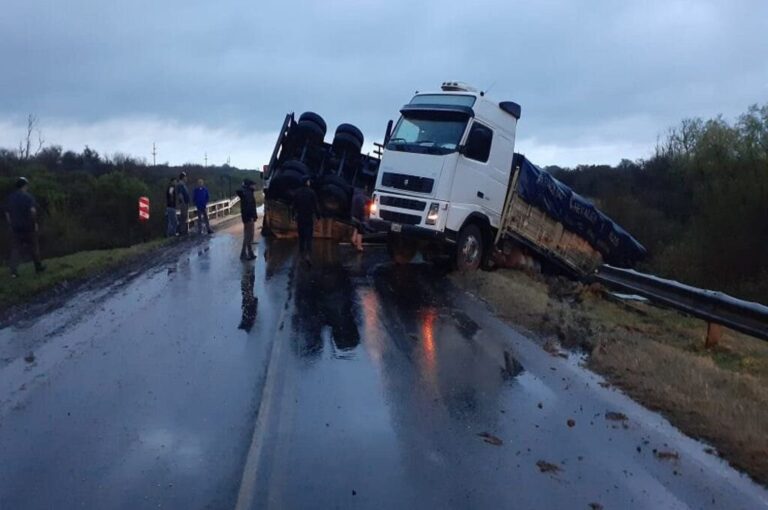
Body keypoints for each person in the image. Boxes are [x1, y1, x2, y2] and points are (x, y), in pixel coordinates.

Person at [4, 177, 45, 278]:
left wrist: (11, 224)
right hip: (28, 227)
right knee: (34, 247)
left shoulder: (11, 197)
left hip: (16, 227)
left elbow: (7, 213)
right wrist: (35, 223)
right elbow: (32, 211)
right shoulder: (28, 197)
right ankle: (38, 267)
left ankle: (13, 272)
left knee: (16, 249)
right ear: (24, 186)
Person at [293, 178, 319, 265]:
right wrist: (318, 216)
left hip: (300, 218)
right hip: (308, 218)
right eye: (308, 181)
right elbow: (315, 206)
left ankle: (301, 255)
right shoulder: (312, 192)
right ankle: (308, 255)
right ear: (306, 182)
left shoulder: (297, 192)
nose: (309, 182)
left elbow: (294, 205)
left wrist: (293, 215)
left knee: (301, 237)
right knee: (308, 237)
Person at [236, 179, 258, 260]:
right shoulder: (248, 193)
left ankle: (247, 253)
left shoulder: (247, 192)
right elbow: (249, 207)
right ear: (250, 185)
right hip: (248, 218)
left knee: (247, 235)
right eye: (253, 185)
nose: (255, 186)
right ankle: (247, 254)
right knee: (248, 236)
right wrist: (252, 217)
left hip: (246, 217)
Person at [350, 187, 367, 252]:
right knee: (360, 228)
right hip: (359, 215)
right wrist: (365, 216)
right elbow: (363, 208)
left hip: (353, 214)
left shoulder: (354, 195)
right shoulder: (362, 198)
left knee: (357, 226)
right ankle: (359, 246)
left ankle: (353, 239)